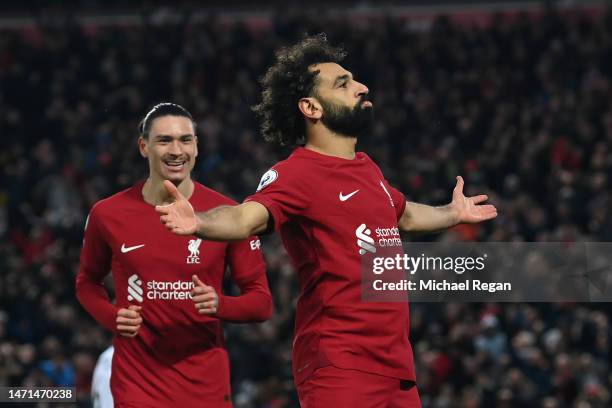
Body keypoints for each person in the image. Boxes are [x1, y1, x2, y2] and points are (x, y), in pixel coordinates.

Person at [155, 35, 497, 407]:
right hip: (340, 363)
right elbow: (244, 217)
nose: (362, 87)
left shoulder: (368, 169)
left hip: (397, 369)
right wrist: (200, 222)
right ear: (311, 107)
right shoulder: (295, 173)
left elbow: (405, 214)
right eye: (343, 83)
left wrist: (452, 213)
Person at [76, 103, 273, 407]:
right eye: (164, 140)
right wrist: (112, 316)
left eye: (185, 140)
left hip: (204, 384)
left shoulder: (229, 215)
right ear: (144, 147)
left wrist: (221, 304)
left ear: (197, 147)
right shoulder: (108, 214)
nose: (176, 150)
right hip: (137, 383)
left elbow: (261, 303)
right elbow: (87, 282)